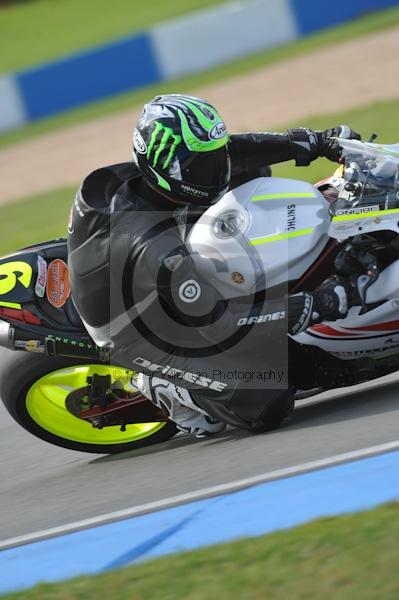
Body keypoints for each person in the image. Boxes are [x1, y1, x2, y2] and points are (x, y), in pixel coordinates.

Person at [68, 94, 360, 438]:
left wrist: (314, 142)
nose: (218, 170)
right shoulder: (151, 246)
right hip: (143, 326)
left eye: (214, 158)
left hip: (165, 263)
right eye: (201, 166)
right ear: (167, 168)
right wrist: (313, 304)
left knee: (254, 175)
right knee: (266, 401)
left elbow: (234, 151)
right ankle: (162, 387)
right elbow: (220, 323)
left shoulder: (163, 182)